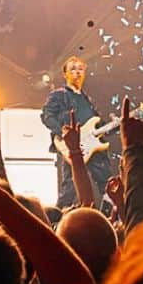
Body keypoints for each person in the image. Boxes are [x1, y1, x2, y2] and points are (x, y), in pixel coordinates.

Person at [41, 55, 110, 209]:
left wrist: (115, 125)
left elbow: (99, 126)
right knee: (70, 188)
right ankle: (57, 222)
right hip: (72, 146)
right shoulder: (59, 95)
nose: (77, 72)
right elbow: (47, 116)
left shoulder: (89, 99)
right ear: (65, 74)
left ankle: (111, 220)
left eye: (80, 69)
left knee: (107, 184)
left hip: (92, 147)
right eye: (73, 69)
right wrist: (64, 134)